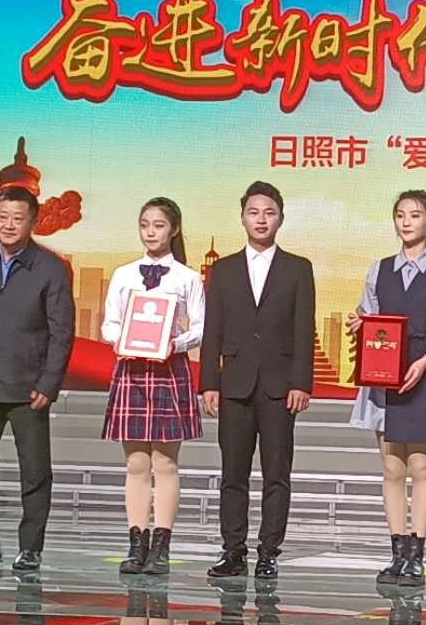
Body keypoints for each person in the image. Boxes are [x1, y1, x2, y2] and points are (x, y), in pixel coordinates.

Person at [347, 191, 426, 586]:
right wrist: (360, 324)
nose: (406, 222)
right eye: (400, 215)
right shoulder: (379, 269)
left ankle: (417, 554)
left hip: (423, 376)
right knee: (391, 467)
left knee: (421, 466)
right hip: (384, 378)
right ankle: (397, 553)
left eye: (415, 215)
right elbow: (370, 317)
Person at [0, 186, 75, 573]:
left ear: (32, 222)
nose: (8, 225)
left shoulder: (51, 269)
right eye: (2, 217)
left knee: (34, 472)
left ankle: (30, 548)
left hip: (29, 389)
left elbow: (62, 333)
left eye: (17, 218)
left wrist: (49, 383)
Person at [200, 181, 316, 580]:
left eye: (269, 212)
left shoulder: (298, 268)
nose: (261, 219)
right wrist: (209, 383)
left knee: (276, 473)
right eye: (254, 212)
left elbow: (304, 329)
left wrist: (301, 382)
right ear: (242, 218)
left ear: (281, 218)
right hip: (233, 383)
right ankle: (233, 550)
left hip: (280, 386)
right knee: (233, 473)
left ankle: (269, 552)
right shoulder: (224, 269)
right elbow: (212, 329)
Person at [100, 197, 206, 577]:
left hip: (169, 370)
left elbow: (201, 328)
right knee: (136, 463)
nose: (150, 232)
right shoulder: (123, 274)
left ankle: (161, 547)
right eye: (144, 224)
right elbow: (109, 324)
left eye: (158, 225)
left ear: (173, 229)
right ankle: (136, 544)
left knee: (165, 462)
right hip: (132, 369)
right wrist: (120, 338)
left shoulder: (187, 278)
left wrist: (173, 343)